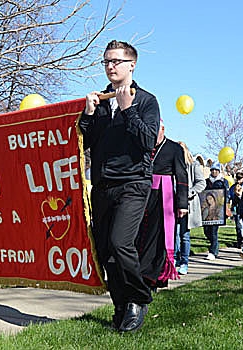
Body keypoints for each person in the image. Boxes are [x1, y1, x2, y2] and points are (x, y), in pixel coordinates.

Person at [78, 40, 160, 332]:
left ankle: (138, 298)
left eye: (116, 61)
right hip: (103, 184)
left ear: (131, 65)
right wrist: (87, 117)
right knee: (105, 251)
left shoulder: (146, 101)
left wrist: (127, 110)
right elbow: (86, 144)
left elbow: (147, 142)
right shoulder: (99, 102)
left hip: (133, 183)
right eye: (106, 62)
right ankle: (121, 305)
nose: (110, 66)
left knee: (120, 243)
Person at [137, 121, 188, 288]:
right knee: (140, 235)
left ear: (163, 130)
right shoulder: (144, 145)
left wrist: (182, 204)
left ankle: (154, 274)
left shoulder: (174, 148)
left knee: (158, 237)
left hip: (163, 197)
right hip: (143, 194)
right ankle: (140, 271)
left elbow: (181, 177)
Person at [175, 141, 206, 275]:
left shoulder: (194, 165)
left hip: (188, 205)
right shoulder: (173, 165)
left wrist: (189, 193)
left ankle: (184, 262)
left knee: (184, 235)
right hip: (174, 203)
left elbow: (201, 183)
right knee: (174, 234)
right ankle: (174, 259)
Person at [202, 162, 229, 260]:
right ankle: (215, 246)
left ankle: (212, 251)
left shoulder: (223, 182)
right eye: (212, 170)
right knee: (206, 231)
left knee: (214, 231)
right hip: (207, 211)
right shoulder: (206, 181)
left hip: (218, 211)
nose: (214, 172)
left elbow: (227, 195)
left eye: (216, 170)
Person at [229, 172, 243, 248]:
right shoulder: (233, 187)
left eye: (240, 179)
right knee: (239, 225)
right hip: (236, 208)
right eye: (237, 178)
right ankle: (240, 241)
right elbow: (229, 196)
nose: (239, 181)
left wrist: (240, 194)